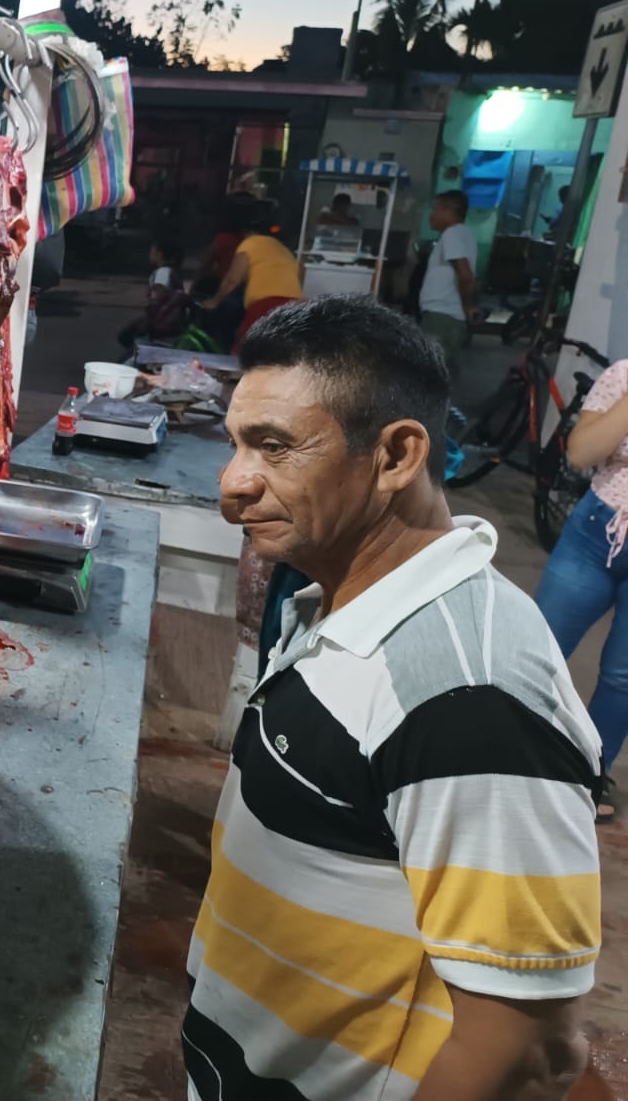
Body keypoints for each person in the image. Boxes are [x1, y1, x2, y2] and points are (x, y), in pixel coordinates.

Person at [188, 296, 601, 1100]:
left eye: (274, 447)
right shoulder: (337, 602)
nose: (234, 483)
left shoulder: (472, 694)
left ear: (396, 455)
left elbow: (524, 1049)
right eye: (236, 444)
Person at [535, 356, 628, 821]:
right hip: (596, 532)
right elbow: (581, 453)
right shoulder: (623, 375)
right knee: (536, 647)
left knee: (622, 677)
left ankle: (590, 773)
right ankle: (495, 748)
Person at [201, 215, 303, 352]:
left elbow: (232, 279)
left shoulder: (250, 243)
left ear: (248, 233)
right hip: (295, 305)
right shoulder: (285, 250)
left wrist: (214, 301)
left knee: (245, 350)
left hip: (266, 304)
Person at [419, 188, 481, 383]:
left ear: (449, 211)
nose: (432, 215)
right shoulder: (466, 234)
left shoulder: (452, 234)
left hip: (442, 316)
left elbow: (465, 274)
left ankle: (431, 414)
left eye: (435, 209)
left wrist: (468, 305)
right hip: (449, 315)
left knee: (430, 375)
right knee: (444, 374)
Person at [118, 238, 188, 351]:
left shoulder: (162, 273)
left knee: (125, 337)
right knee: (127, 337)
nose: (150, 255)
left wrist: (148, 320)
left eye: (152, 252)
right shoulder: (172, 271)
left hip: (161, 327)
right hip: (166, 325)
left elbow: (159, 299)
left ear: (159, 254)